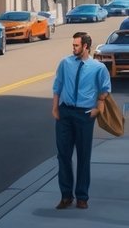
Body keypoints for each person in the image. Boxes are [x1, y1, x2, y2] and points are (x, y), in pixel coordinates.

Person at [51, 31, 112, 209]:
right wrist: (55, 108)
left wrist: (97, 109)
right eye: (73, 45)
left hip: (85, 115)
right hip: (65, 114)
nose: (74, 48)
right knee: (63, 155)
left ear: (85, 46)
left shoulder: (98, 68)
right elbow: (57, 86)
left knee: (84, 156)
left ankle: (82, 196)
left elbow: (105, 89)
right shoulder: (65, 63)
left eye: (76, 45)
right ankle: (66, 196)